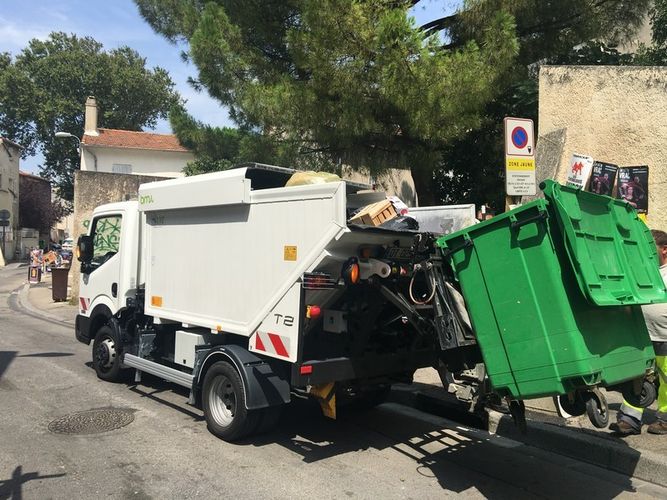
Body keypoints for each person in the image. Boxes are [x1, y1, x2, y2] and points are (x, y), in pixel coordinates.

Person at [610, 229, 667, 435]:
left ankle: (665, 418)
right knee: (635, 376)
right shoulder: (642, 269)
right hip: (641, 335)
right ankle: (630, 419)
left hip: (664, 336)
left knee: (666, 380)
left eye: (650, 248)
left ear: (664, 250)